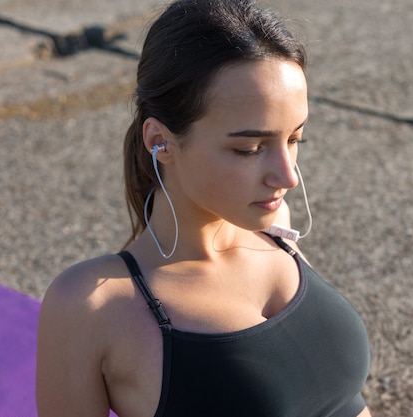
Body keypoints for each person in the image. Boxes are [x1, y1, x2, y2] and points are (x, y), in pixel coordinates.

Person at [36, 0, 372, 416]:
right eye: (248, 149)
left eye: (294, 139)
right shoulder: (95, 304)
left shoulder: (275, 229)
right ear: (160, 141)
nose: (287, 176)